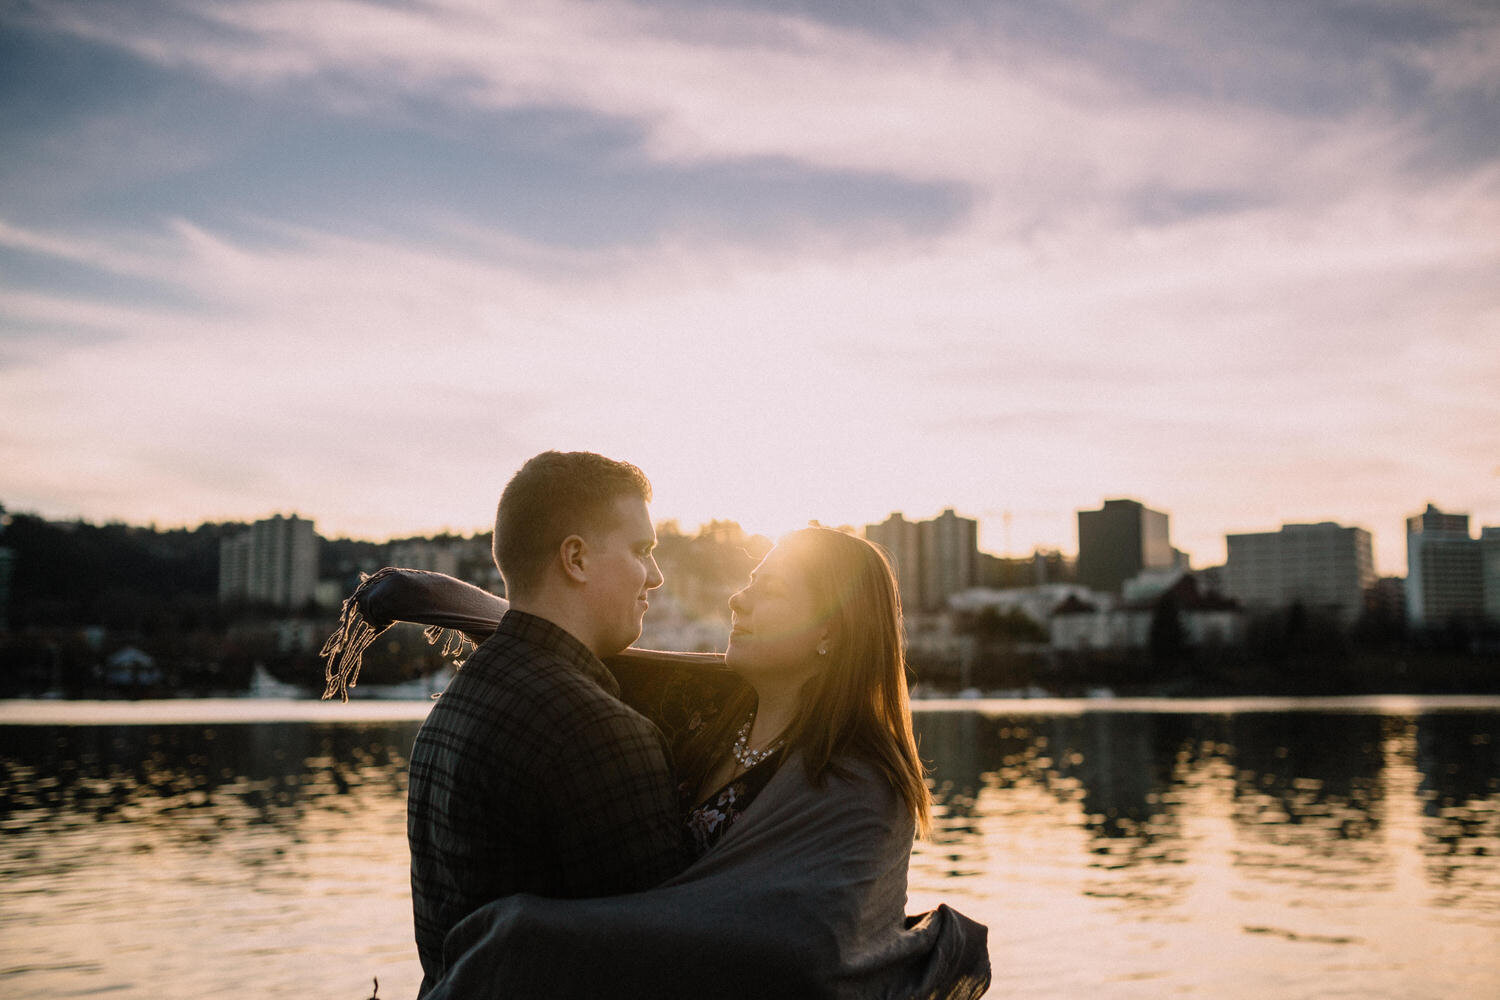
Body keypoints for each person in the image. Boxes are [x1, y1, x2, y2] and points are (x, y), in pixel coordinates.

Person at [325, 522, 990, 997]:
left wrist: (537, 935)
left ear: (828, 633)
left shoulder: (862, 784)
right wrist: (427, 595)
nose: (739, 599)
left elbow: (807, 954)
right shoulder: (710, 712)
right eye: (747, 580)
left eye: (772, 589)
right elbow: (577, 652)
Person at [401, 450, 685, 996]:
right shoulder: (603, 733)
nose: (656, 575)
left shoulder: (451, 708)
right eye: (641, 550)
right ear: (575, 559)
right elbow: (656, 968)